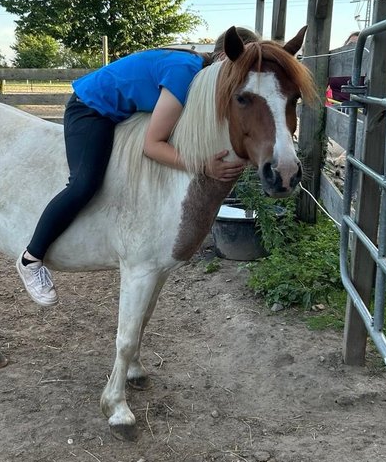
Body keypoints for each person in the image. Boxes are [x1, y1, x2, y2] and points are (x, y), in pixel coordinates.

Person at [17, 37, 251, 306]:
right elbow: (152, 146)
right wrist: (203, 165)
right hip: (91, 109)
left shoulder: (196, 74)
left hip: (119, 113)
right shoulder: (184, 73)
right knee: (84, 183)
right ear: (223, 58)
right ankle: (31, 258)